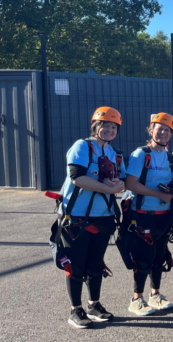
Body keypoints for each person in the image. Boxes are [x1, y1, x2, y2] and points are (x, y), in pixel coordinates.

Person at [54, 107, 126, 328]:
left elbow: (123, 181)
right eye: (105, 125)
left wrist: (118, 185)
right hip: (76, 216)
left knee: (96, 263)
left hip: (102, 216)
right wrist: (110, 190)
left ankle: (94, 304)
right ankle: (76, 310)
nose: (110, 130)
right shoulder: (82, 146)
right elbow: (77, 178)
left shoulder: (114, 153)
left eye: (114, 127)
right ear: (96, 126)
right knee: (76, 265)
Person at [123, 112, 173, 316]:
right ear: (151, 130)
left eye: (168, 130)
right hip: (142, 214)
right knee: (144, 258)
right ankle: (136, 298)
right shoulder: (141, 154)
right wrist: (158, 194)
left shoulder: (169, 156)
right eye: (160, 128)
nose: (164, 132)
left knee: (159, 256)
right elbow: (130, 184)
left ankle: (155, 295)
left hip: (164, 215)